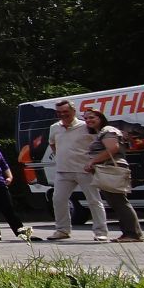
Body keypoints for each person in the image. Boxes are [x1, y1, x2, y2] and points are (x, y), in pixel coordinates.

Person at [39, 99, 111, 241]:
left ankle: (100, 232)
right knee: (58, 199)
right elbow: (52, 144)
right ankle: (62, 230)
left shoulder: (85, 126)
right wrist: (61, 156)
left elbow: (99, 144)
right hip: (63, 170)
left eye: (65, 112)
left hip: (85, 169)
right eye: (59, 112)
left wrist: (93, 161)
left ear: (73, 111)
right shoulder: (54, 127)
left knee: (94, 200)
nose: (62, 115)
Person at [84, 112, 144, 243]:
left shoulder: (108, 130)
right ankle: (129, 233)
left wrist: (92, 161)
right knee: (116, 202)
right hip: (107, 169)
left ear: (101, 118)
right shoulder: (101, 132)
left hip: (111, 169)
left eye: (92, 117)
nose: (88, 120)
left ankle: (133, 234)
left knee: (119, 202)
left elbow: (113, 148)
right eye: (86, 118)